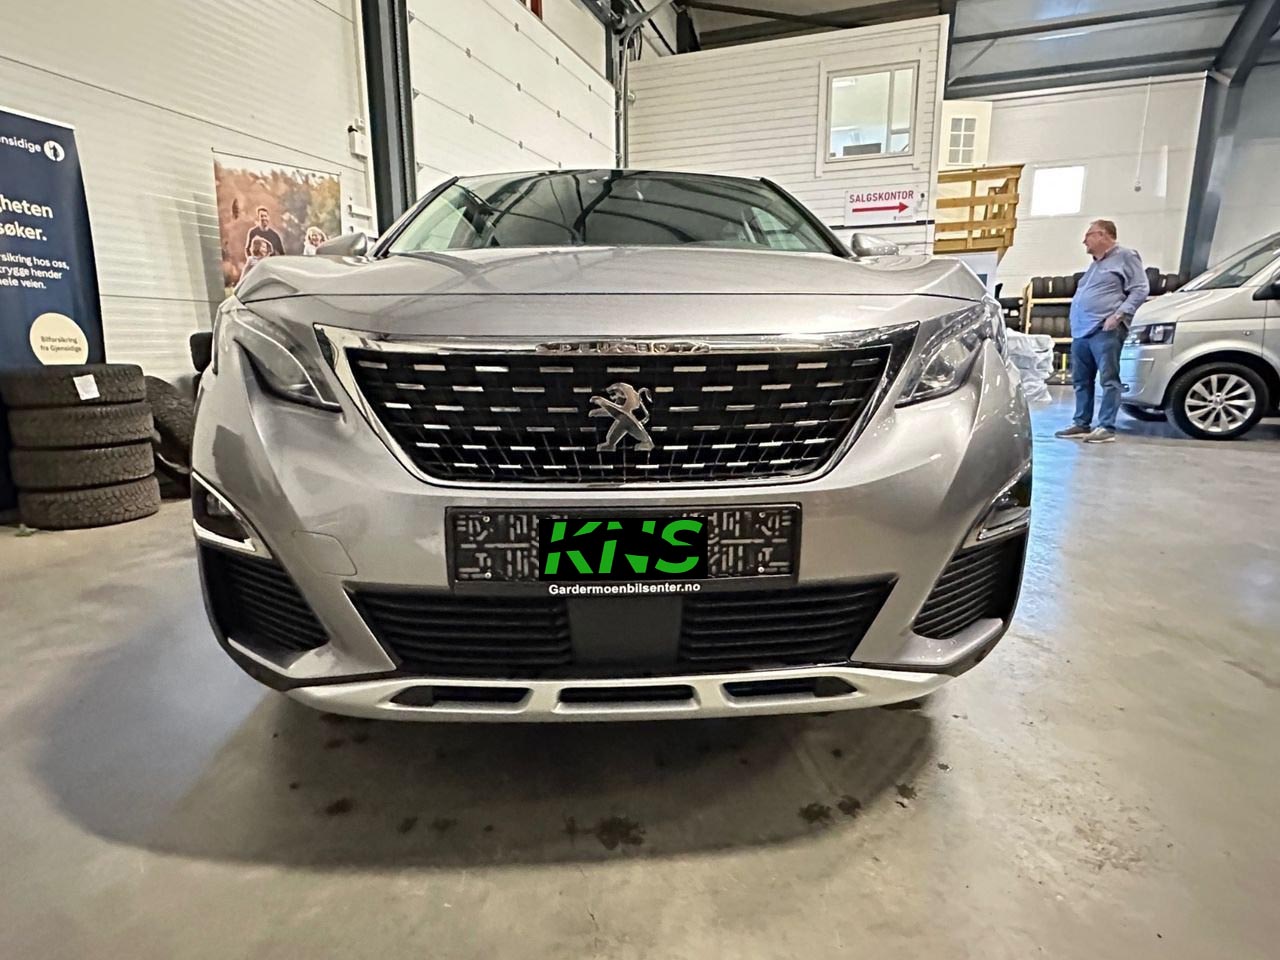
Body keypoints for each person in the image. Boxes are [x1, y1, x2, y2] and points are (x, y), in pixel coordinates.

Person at [1055, 219, 1149, 444]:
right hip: (1082, 332)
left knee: (1109, 380)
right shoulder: (1095, 265)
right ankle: (1081, 422)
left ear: (1103, 235)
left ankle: (1106, 427)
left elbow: (1140, 288)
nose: (1084, 241)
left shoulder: (1126, 256)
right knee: (1081, 381)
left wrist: (1119, 315)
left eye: (1088, 235)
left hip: (1104, 330)